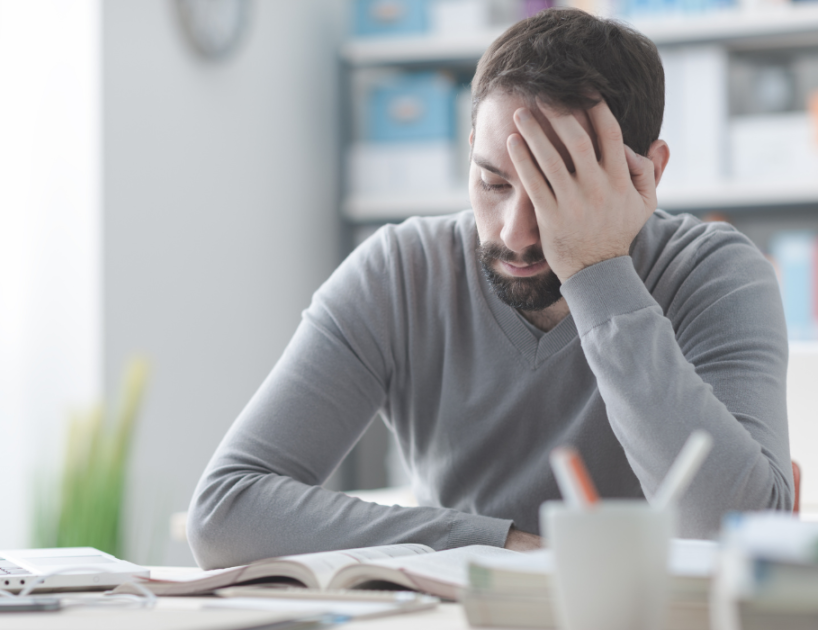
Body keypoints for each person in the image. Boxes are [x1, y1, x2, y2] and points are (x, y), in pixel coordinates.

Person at [187, 8, 793, 569]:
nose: (516, 232)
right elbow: (224, 513)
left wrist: (598, 271)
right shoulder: (400, 273)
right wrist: (497, 546)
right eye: (493, 182)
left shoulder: (715, 275)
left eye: (559, 190)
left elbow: (734, 534)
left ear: (648, 173)